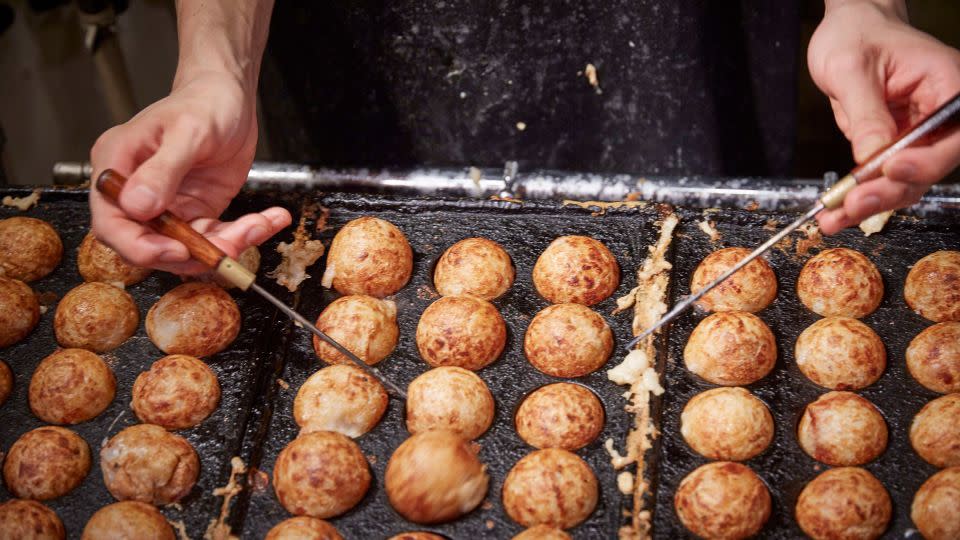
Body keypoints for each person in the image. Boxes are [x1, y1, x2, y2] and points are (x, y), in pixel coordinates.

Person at [89, 0, 960, 273]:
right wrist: (214, 66)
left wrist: (868, 7)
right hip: (382, 41)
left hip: (685, 32)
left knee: (711, 250)